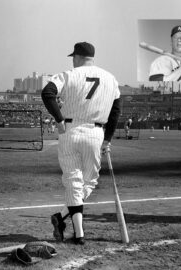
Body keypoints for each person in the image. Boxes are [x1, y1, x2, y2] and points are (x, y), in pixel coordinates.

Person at [41, 41, 121, 245]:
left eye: (73, 57)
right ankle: (78, 234)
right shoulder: (111, 78)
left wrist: (58, 119)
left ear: (77, 57)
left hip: (70, 131)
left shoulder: (69, 74)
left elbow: (47, 93)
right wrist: (108, 139)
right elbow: (115, 112)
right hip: (96, 133)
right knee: (89, 182)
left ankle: (62, 218)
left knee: (73, 182)